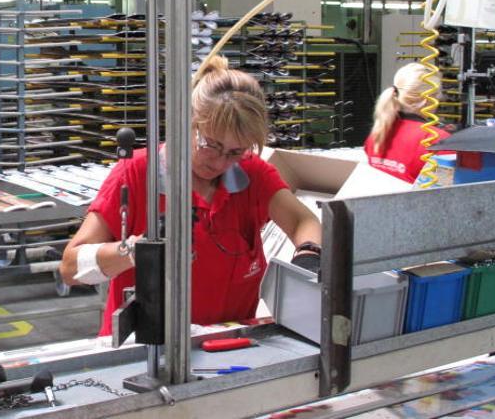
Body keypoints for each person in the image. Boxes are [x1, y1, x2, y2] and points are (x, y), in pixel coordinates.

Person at [59, 56, 322, 336]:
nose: (221, 162)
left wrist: (308, 255)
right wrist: (136, 251)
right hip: (143, 353)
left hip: (228, 347)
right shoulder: (137, 174)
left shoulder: (251, 175)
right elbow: (70, 267)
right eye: (211, 145)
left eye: (236, 151)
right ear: (187, 123)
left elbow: (302, 221)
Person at [364, 63, 451, 183]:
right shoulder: (436, 139)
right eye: (438, 95)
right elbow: (445, 191)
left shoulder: (378, 132)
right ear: (426, 101)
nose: (440, 98)